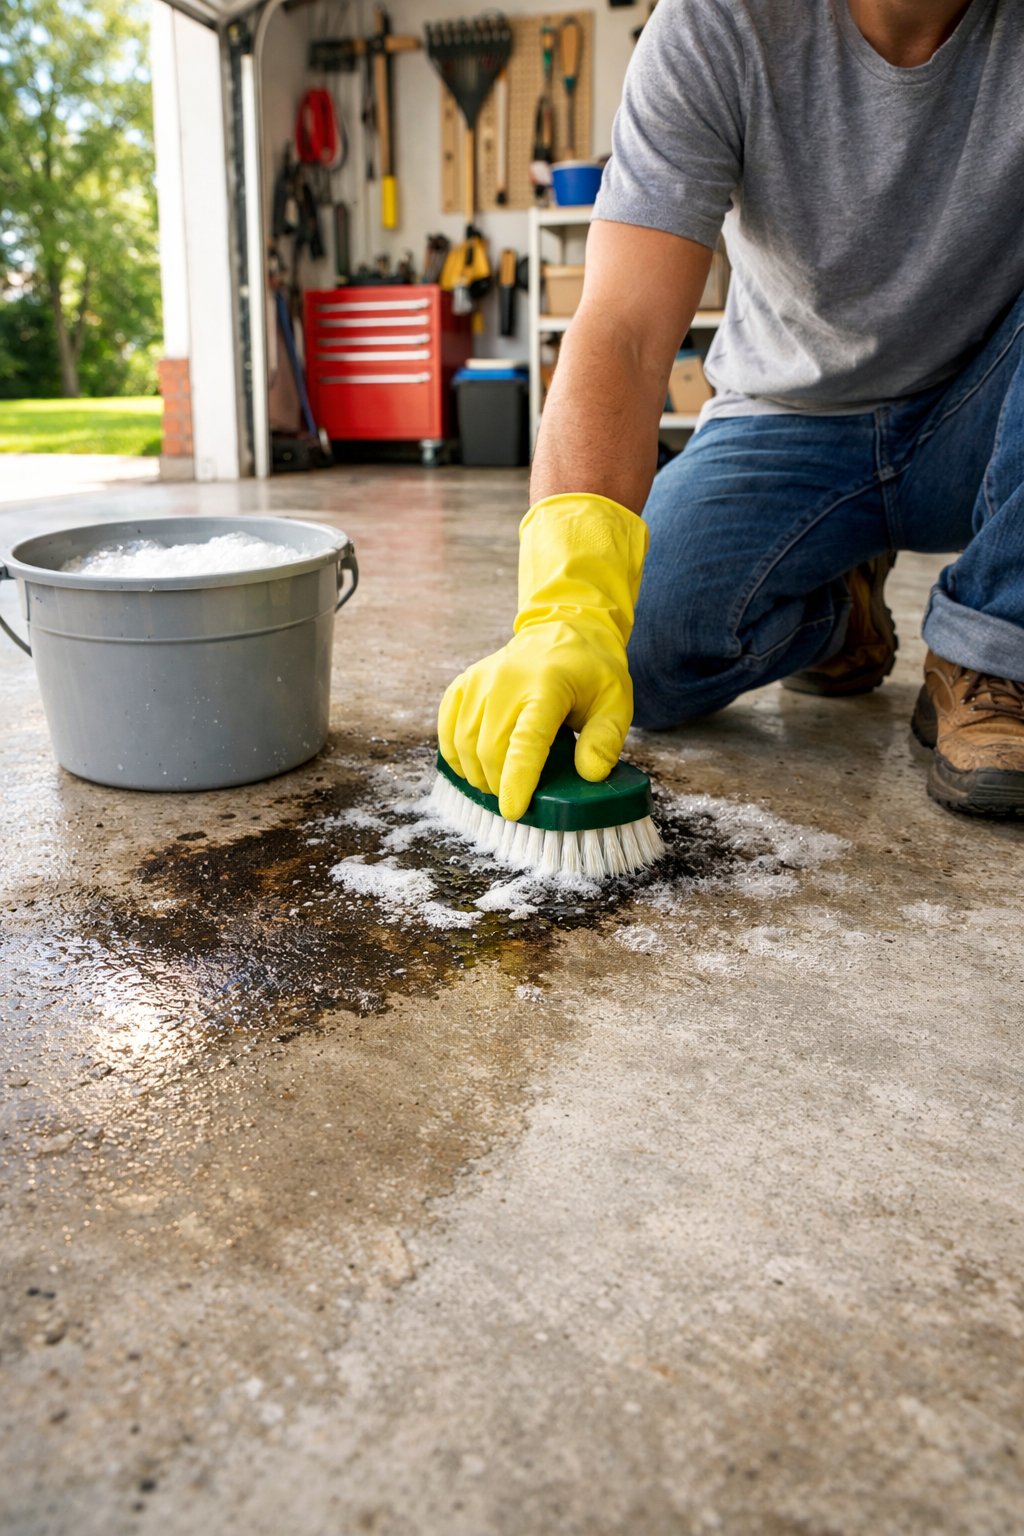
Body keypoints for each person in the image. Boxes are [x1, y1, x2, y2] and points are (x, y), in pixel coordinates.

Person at [439, 0, 1024, 822]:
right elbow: (626, 330)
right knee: (646, 651)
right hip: (789, 418)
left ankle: (998, 646)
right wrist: (565, 608)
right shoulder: (719, 23)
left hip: (991, 415)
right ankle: (841, 610)